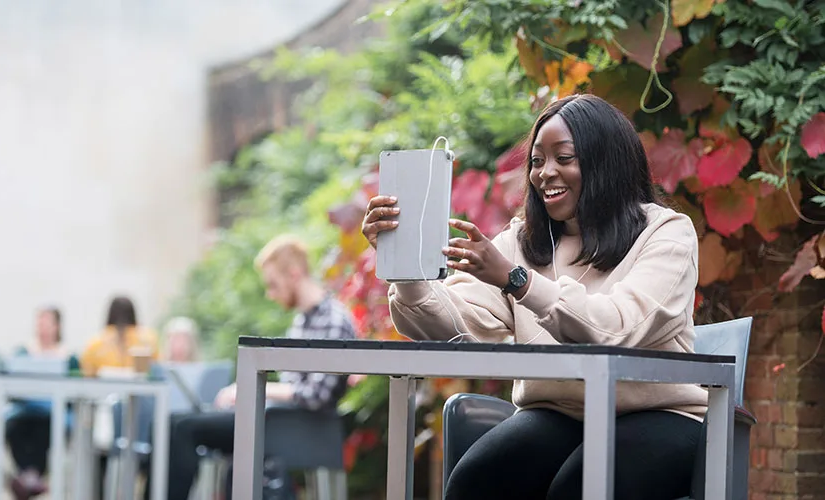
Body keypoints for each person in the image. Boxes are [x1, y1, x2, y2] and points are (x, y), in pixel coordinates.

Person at [362, 94, 705, 500]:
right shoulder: (523, 241)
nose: (546, 173)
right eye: (538, 161)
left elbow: (616, 329)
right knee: (476, 481)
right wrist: (406, 265)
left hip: (659, 414)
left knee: (575, 490)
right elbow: (456, 325)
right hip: (557, 413)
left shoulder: (666, 234)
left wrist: (519, 281)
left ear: (605, 162)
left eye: (564, 158)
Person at [161, 235, 357, 500]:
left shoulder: (332, 319)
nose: (270, 293)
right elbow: (295, 386)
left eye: (273, 284)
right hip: (278, 419)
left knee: (184, 428)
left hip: (298, 426)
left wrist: (250, 388)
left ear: (294, 274)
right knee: (175, 423)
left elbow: (315, 395)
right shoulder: (302, 321)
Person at [4, 306, 67, 500]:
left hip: (50, 414)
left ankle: (27, 478)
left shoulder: (66, 355)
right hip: (23, 412)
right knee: (14, 427)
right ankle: (30, 477)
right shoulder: (23, 352)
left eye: (47, 322)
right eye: (40, 322)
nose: (42, 327)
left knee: (45, 429)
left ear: (57, 326)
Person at [80, 296, 160, 377]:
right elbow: (87, 372)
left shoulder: (145, 341)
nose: (122, 326)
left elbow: (156, 367)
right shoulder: (96, 344)